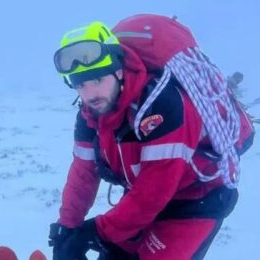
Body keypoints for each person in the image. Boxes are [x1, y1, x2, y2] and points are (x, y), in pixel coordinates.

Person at [48, 21, 242, 260]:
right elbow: (83, 173)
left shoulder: (161, 105)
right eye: (81, 84)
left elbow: (155, 190)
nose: (90, 94)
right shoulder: (91, 114)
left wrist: (94, 232)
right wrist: (68, 226)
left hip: (194, 201)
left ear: (118, 70)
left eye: (98, 80)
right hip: (140, 198)